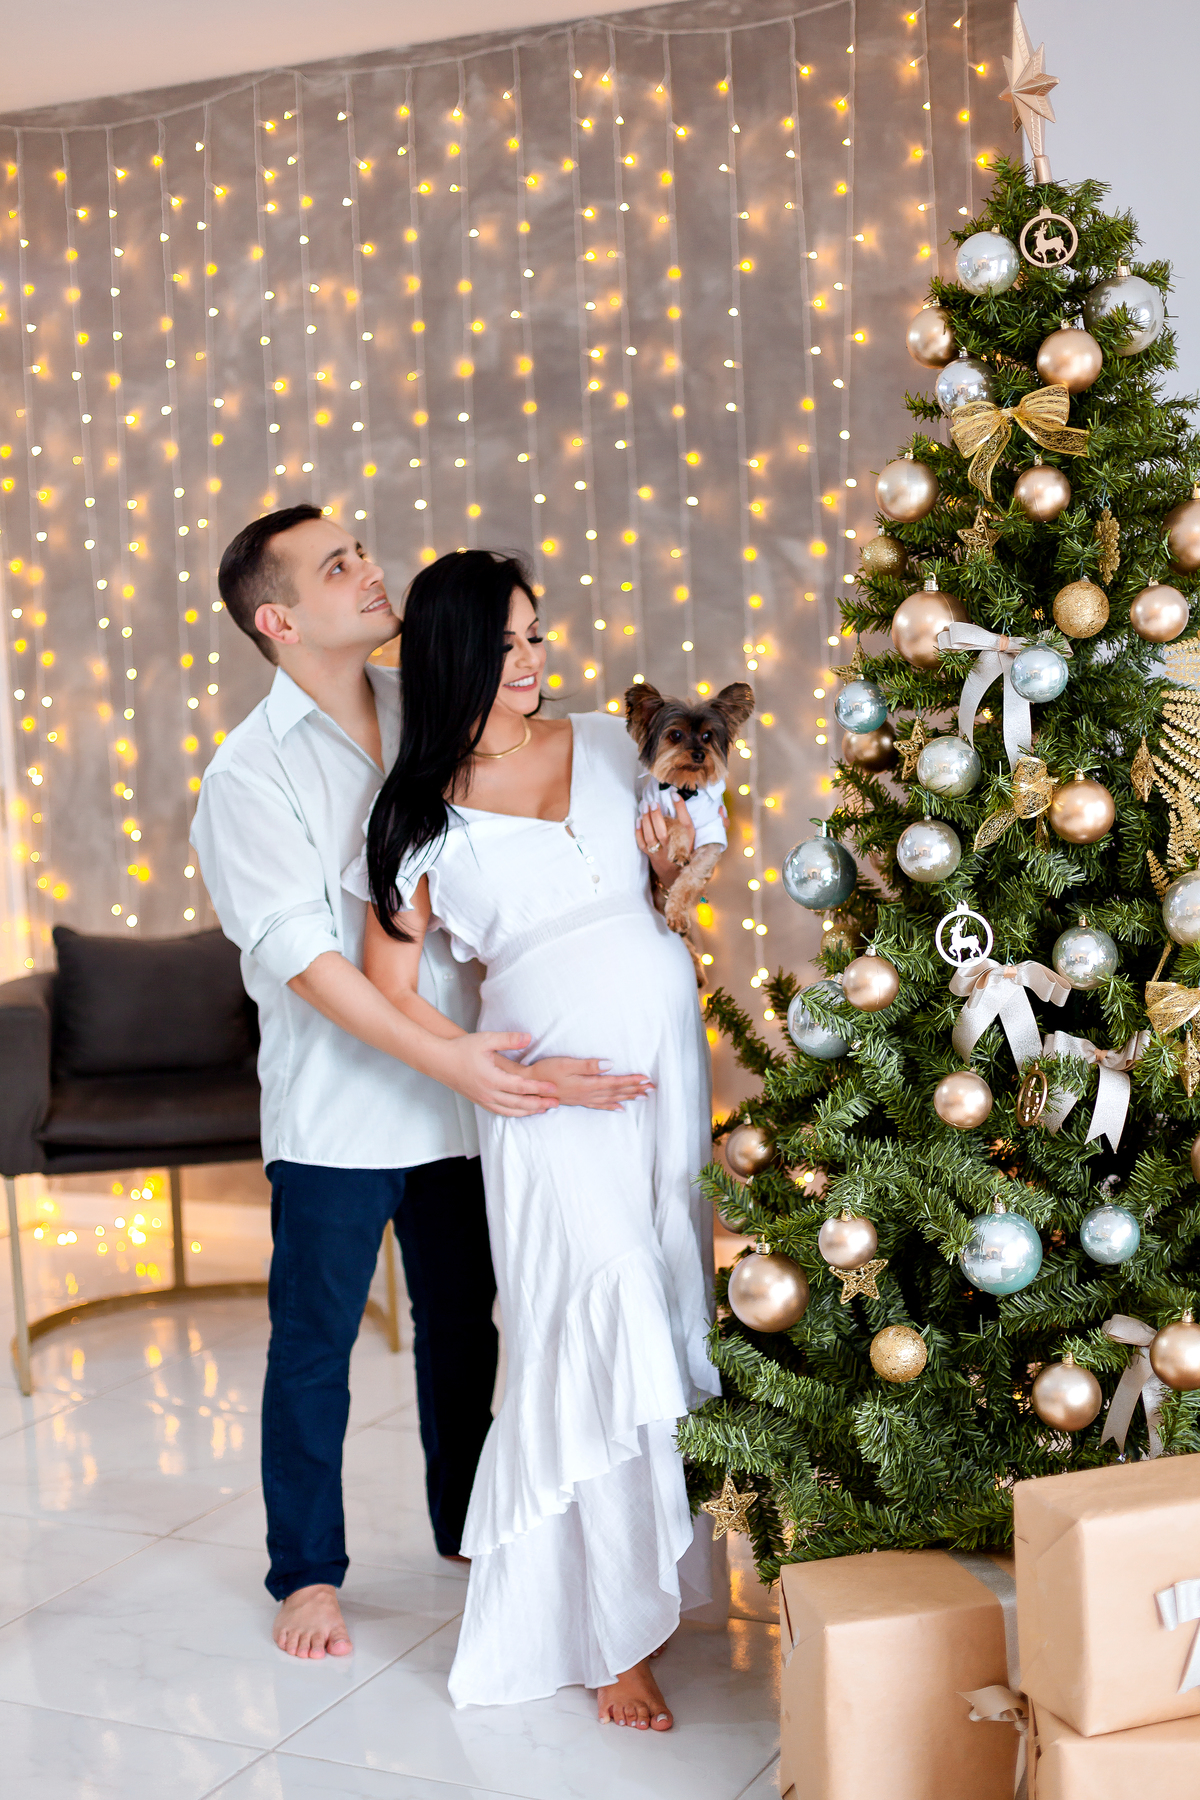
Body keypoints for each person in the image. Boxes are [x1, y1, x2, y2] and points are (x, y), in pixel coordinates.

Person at [190, 506, 644, 1662]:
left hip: (471, 1094)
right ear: (279, 620)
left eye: (361, 551)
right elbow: (304, 959)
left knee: (464, 1326)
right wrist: (448, 1057)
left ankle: (466, 1525)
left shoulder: (430, 707)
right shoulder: (248, 773)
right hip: (342, 1110)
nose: (369, 569)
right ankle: (306, 1572)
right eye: (336, 564)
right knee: (316, 1345)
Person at [352, 548, 721, 1730]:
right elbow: (386, 993)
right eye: (504, 642)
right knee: (594, 1320)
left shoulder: (614, 745)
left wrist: (672, 875)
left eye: (537, 635)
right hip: (545, 1098)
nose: (530, 660)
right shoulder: (413, 815)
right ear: (449, 654)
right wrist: (495, 1072)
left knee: (666, 1294)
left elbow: (674, 896)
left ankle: (650, 1583)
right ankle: (612, 1642)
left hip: (666, 1070)